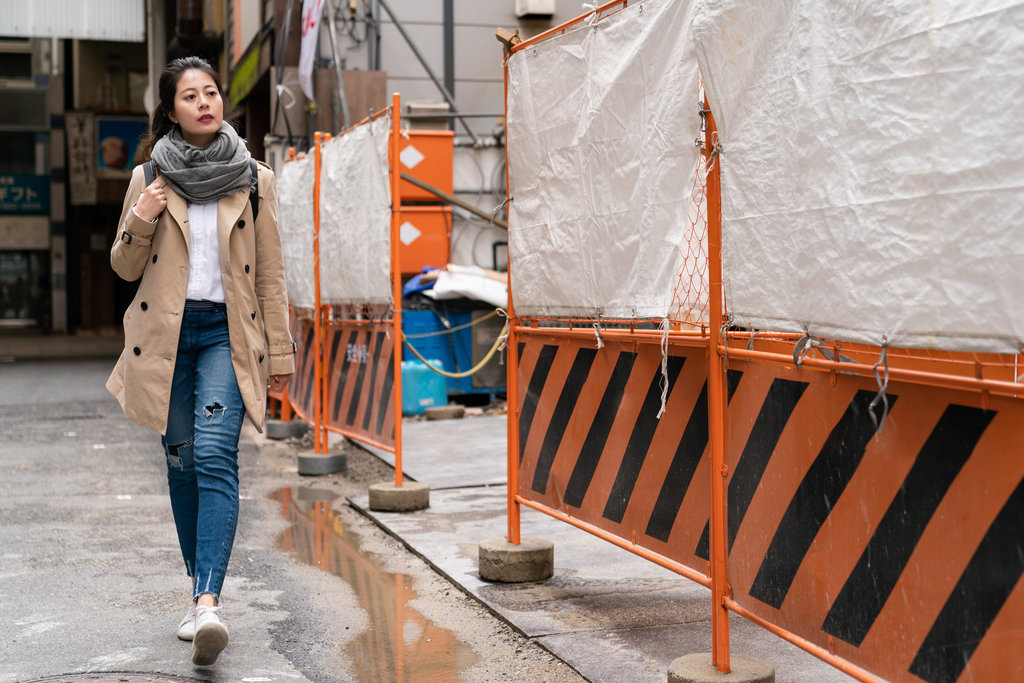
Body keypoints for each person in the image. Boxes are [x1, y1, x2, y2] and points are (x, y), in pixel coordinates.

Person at [106, 56, 294, 667]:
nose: (205, 103)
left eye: (211, 92)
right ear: (170, 110)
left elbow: (269, 276)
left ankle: (209, 602)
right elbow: (123, 267)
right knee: (182, 463)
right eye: (190, 96)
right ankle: (198, 598)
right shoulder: (150, 178)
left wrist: (283, 354)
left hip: (225, 337)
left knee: (215, 455)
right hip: (166, 340)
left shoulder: (254, 179)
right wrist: (142, 217)